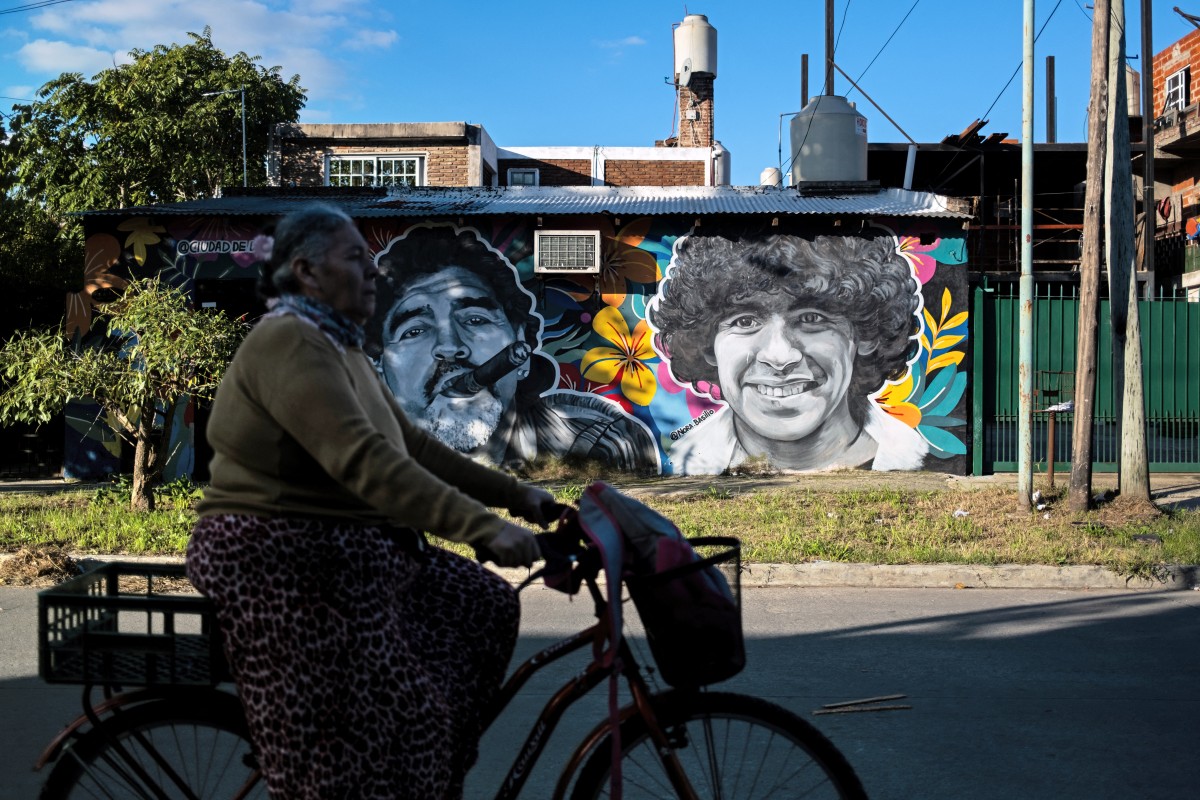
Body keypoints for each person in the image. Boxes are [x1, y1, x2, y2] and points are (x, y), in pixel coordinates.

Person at [187, 203, 556, 800]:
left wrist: (518, 497)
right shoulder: (288, 340)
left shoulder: (344, 349)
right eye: (355, 258)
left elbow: (409, 445)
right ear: (307, 272)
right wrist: (481, 527)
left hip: (348, 547)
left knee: (484, 606)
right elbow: (365, 460)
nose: (372, 272)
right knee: (403, 715)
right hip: (282, 556)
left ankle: (428, 778)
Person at [368, 224, 659, 473]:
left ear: (521, 350)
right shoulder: (355, 460)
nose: (449, 347)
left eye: (475, 319)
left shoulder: (600, 439)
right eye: (415, 330)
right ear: (380, 366)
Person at [648, 232, 928, 474]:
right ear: (709, 346)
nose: (780, 356)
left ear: (864, 335)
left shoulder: (916, 455)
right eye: (745, 322)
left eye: (812, 318)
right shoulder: (681, 461)